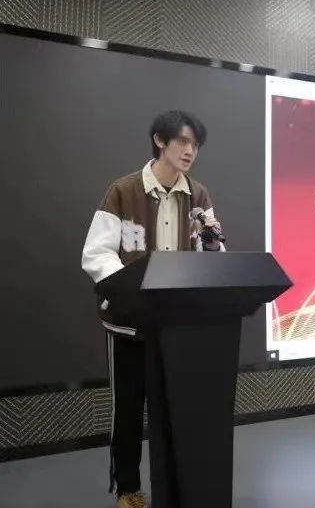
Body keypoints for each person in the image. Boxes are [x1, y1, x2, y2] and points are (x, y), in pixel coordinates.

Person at [81, 110, 225, 508]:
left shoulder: (198, 196)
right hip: (129, 325)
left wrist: (213, 245)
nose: (190, 151)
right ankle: (128, 489)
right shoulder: (123, 191)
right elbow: (96, 254)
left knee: (175, 411)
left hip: (177, 328)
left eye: (196, 145)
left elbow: (214, 251)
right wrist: (132, 292)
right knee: (128, 411)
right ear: (160, 141)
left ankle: (175, 483)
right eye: (183, 142)